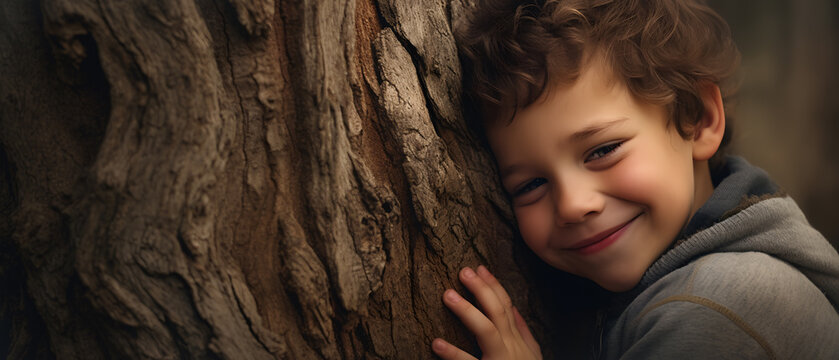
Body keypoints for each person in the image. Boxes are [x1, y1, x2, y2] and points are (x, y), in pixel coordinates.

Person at [431, 0, 839, 358]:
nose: (573, 204)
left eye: (603, 151)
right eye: (530, 185)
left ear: (697, 118)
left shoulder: (711, 308)